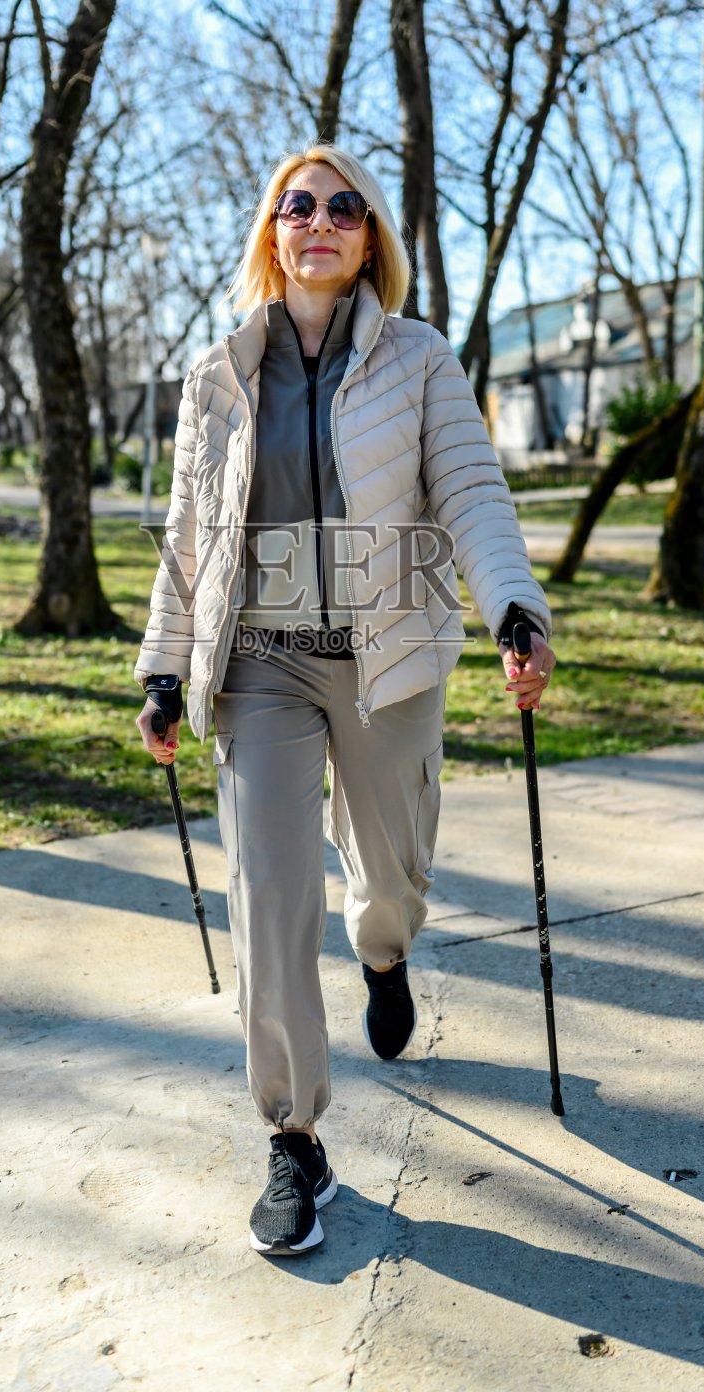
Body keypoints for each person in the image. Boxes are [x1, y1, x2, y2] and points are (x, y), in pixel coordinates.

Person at [135, 145, 555, 1258]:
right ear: (270, 233)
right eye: (295, 203)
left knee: (390, 880)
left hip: (389, 655)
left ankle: (384, 952)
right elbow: (189, 541)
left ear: (370, 238)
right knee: (269, 890)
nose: (317, 219)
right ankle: (292, 1137)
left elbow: (471, 490)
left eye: (343, 206)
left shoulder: (419, 359)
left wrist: (513, 604)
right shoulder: (216, 376)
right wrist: (164, 665)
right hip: (262, 659)